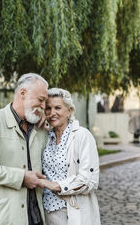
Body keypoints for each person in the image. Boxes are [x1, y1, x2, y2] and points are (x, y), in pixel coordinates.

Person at [0, 73, 49, 225]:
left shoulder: (41, 129)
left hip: (35, 218)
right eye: (41, 100)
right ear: (23, 94)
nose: (44, 106)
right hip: (1, 218)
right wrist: (21, 177)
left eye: (45, 102)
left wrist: (51, 126)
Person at [39, 88, 101, 225]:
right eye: (48, 108)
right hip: (46, 211)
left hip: (72, 211)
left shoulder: (82, 136)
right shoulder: (45, 136)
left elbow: (89, 181)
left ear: (69, 110)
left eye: (58, 108)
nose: (52, 113)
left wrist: (55, 186)